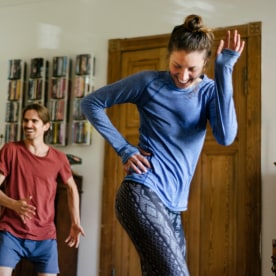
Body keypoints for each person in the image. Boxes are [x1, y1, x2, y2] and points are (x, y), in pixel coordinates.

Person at [81, 14, 245, 276]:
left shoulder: (209, 91)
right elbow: (90, 103)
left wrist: (225, 71)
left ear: (206, 62)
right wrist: (124, 149)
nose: (182, 75)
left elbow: (226, 137)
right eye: (176, 65)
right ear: (169, 56)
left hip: (173, 208)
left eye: (192, 69)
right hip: (141, 192)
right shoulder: (149, 83)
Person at [0, 103, 85, 276]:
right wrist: (14, 204)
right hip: (11, 233)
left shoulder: (59, 158)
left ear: (46, 126)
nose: (28, 125)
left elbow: (72, 188)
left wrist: (75, 221)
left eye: (34, 121)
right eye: (25, 120)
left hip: (45, 237)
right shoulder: (10, 150)